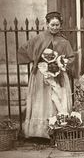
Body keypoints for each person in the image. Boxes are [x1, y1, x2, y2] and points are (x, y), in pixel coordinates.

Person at [18, 11, 74, 139]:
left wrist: (61, 62)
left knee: (58, 100)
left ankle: (58, 129)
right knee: (42, 100)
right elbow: (24, 49)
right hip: (41, 75)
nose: (55, 27)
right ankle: (40, 132)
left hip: (58, 75)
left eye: (57, 25)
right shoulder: (40, 38)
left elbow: (71, 57)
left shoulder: (64, 41)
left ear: (60, 25)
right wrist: (37, 60)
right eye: (52, 25)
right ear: (47, 24)